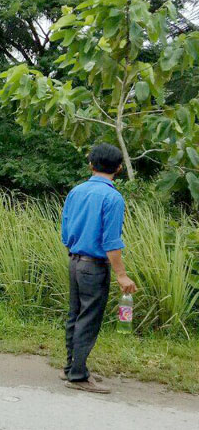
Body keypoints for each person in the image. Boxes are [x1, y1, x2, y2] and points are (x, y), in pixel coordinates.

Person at [61, 143, 137, 394]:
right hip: (94, 266)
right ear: (118, 168)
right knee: (89, 319)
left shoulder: (76, 191)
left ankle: (71, 367)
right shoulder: (113, 197)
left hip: (75, 261)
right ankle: (79, 375)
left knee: (75, 314)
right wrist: (122, 275)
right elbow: (111, 243)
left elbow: (65, 232)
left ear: (91, 165)